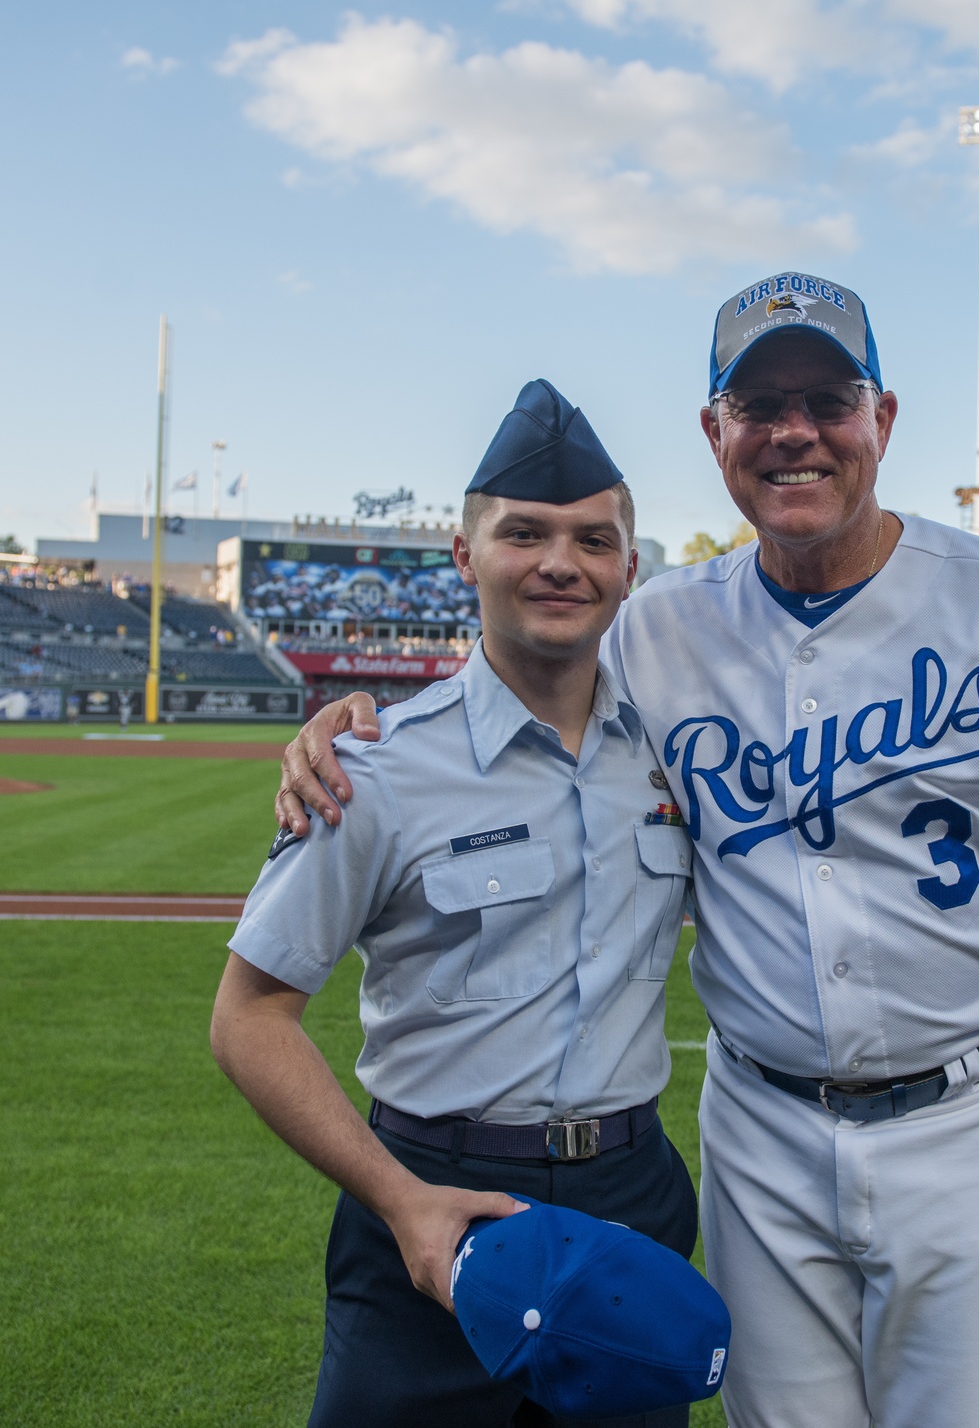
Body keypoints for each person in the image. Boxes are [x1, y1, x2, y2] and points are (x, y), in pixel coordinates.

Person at [278, 271, 979, 1428]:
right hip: (759, 1127)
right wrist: (351, 721)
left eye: (826, 398)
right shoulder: (658, 623)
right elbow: (521, 672)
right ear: (713, 433)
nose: (792, 434)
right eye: (756, 406)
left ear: (882, 421)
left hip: (972, 1119)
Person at [212, 379, 701, 1427]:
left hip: (629, 1203)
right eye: (523, 534)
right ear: (462, 554)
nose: (560, 563)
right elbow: (248, 1018)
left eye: (594, 540)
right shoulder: (374, 767)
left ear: (627, 570)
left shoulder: (678, 754)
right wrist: (402, 1203)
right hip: (430, 1192)